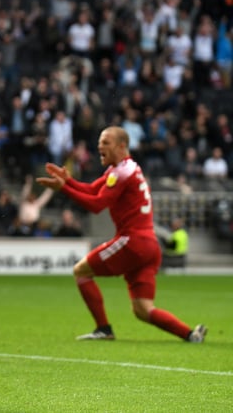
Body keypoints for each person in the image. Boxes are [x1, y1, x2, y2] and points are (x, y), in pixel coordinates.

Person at [36, 126, 207, 343]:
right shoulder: (125, 169)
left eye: (106, 142)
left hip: (132, 241)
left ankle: (103, 329)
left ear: (121, 146)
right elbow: (91, 190)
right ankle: (190, 334)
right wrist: (68, 181)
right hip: (149, 246)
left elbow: (96, 204)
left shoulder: (121, 172)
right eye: (100, 142)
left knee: (81, 271)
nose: (100, 146)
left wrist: (64, 189)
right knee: (143, 309)